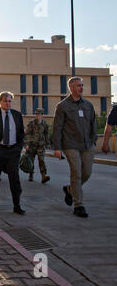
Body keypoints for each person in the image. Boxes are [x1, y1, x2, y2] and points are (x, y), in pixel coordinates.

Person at [53, 77, 97, 218]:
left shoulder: (88, 105)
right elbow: (57, 128)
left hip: (87, 145)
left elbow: (93, 124)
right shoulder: (63, 106)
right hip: (71, 144)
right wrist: (57, 147)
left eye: (82, 85)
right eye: (78, 85)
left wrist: (94, 140)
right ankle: (79, 205)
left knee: (87, 173)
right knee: (76, 173)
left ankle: (70, 189)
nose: (81, 88)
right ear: (71, 88)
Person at [0, 91, 25, 215]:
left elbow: (21, 134)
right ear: (0, 101)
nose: (8, 103)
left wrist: (19, 148)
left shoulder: (17, 115)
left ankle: (17, 204)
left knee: (14, 177)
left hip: (13, 151)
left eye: (9, 101)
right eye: (5, 101)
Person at [24, 107, 51, 183]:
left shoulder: (45, 124)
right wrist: (27, 144)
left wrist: (48, 144)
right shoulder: (31, 123)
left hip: (41, 145)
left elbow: (46, 134)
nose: (37, 115)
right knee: (31, 161)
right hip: (32, 145)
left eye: (39, 114)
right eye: (36, 114)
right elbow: (27, 134)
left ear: (42, 115)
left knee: (41, 160)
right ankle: (31, 174)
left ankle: (43, 176)